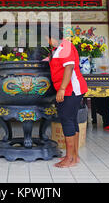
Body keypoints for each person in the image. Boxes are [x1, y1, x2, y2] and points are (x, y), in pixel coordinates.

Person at [46, 26, 88, 168]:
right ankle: (74, 156)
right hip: (70, 89)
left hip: (71, 90)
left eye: (47, 39)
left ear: (52, 38)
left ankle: (70, 158)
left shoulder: (65, 47)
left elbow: (69, 68)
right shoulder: (59, 49)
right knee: (72, 120)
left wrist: (62, 89)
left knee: (67, 120)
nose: (48, 42)